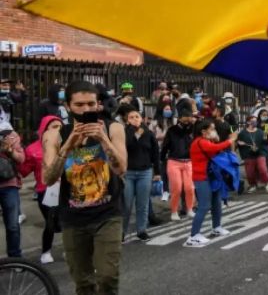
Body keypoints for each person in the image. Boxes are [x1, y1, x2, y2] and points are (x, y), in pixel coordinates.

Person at [42, 81, 128, 294]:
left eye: (91, 104)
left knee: (108, 276)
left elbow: (121, 169)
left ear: (98, 104)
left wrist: (103, 140)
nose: (86, 109)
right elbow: (48, 178)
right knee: (83, 282)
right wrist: (68, 145)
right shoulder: (55, 134)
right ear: (68, 106)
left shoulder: (114, 128)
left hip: (108, 215)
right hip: (73, 218)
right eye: (79, 104)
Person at [184, 118, 237, 247]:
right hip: (202, 178)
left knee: (216, 203)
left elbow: (216, 147)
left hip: (212, 176)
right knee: (204, 206)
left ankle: (217, 227)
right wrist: (230, 140)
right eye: (212, 129)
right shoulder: (200, 142)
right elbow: (216, 147)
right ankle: (193, 236)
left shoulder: (205, 141)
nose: (214, 131)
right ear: (203, 131)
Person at [19, 116, 62, 263]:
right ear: (44, 129)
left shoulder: (67, 144)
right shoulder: (32, 149)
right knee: (51, 221)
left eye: (59, 126)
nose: (58, 130)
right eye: (54, 127)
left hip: (67, 189)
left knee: (68, 221)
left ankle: (70, 249)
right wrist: (15, 154)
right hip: (45, 191)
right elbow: (24, 171)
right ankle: (46, 252)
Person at [121, 108, 161, 241]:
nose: (134, 119)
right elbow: (127, 146)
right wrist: (133, 131)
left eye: (137, 117)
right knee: (126, 204)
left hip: (145, 172)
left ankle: (141, 229)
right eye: (131, 117)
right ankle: (122, 231)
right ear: (127, 120)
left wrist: (157, 172)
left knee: (143, 203)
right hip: (128, 172)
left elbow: (155, 153)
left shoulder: (149, 134)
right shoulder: (124, 133)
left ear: (142, 119)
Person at [161, 107, 196, 221]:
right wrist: (162, 159)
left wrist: (195, 122)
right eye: (185, 119)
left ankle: (190, 209)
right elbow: (165, 146)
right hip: (174, 161)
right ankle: (174, 211)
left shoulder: (192, 129)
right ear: (179, 118)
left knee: (189, 187)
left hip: (189, 162)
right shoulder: (172, 130)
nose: (187, 122)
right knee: (177, 188)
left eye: (189, 119)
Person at [0, 123, 25, 258]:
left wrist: (9, 150)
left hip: (9, 185)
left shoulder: (11, 135)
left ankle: (15, 257)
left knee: (12, 225)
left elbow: (21, 159)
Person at [237, 115, 268, 193]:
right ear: (248, 122)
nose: (255, 122)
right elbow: (238, 142)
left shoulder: (261, 132)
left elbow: (266, 142)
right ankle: (253, 185)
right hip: (249, 154)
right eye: (253, 120)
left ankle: (267, 183)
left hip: (260, 153)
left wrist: (267, 135)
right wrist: (239, 143)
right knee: (250, 172)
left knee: (262, 168)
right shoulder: (243, 133)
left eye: (256, 121)